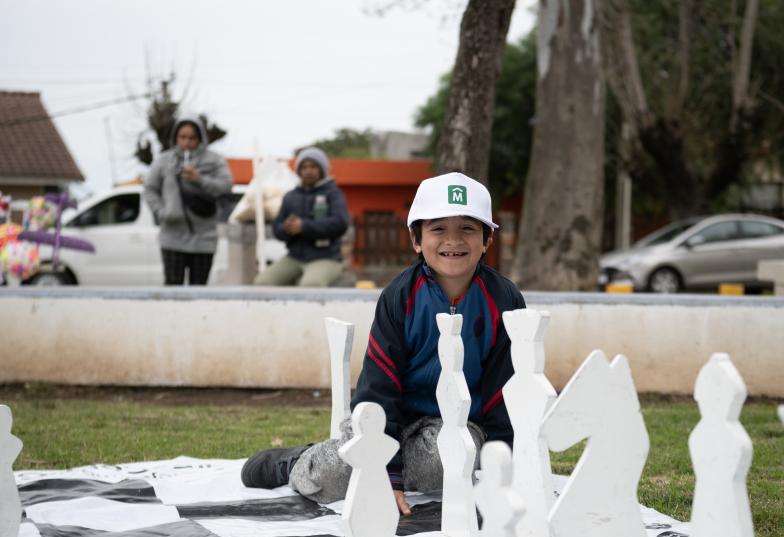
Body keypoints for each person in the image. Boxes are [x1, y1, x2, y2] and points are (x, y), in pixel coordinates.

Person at [242, 172, 525, 516]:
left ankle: (388, 460)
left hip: (457, 424)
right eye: (438, 229)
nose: (453, 240)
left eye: (467, 228)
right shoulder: (400, 296)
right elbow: (378, 386)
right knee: (328, 480)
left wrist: (500, 471)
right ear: (416, 239)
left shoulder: (504, 298)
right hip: (390, 416)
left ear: (487, 239)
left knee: (446, 460)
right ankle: (297, 462)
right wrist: (386, 476)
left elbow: (503, 392)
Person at [143, 114, 233, 285]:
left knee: (198, 291)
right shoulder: (164, 160)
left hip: (204, 238)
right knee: (172, 288)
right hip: (172, 237)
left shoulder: (214, 160)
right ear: (175, 137)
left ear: (200, 138)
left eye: (192, 138)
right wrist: (162, 212)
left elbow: (226, 186)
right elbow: (149, 190)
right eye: (182, 137)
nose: (186, 142)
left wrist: (199, 179)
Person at [253, 147, 350, 287]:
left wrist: (303, 227)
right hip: (294, 257)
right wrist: (287, 228)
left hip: (326, 258)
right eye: (304, 167)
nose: (308, 171)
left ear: (322, 169)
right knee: (263, 283)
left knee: (311, 285)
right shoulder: (291, 196)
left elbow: (340, 223)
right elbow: (277, 227)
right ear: (299, 171)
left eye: (313, 166)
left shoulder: (333, 194)